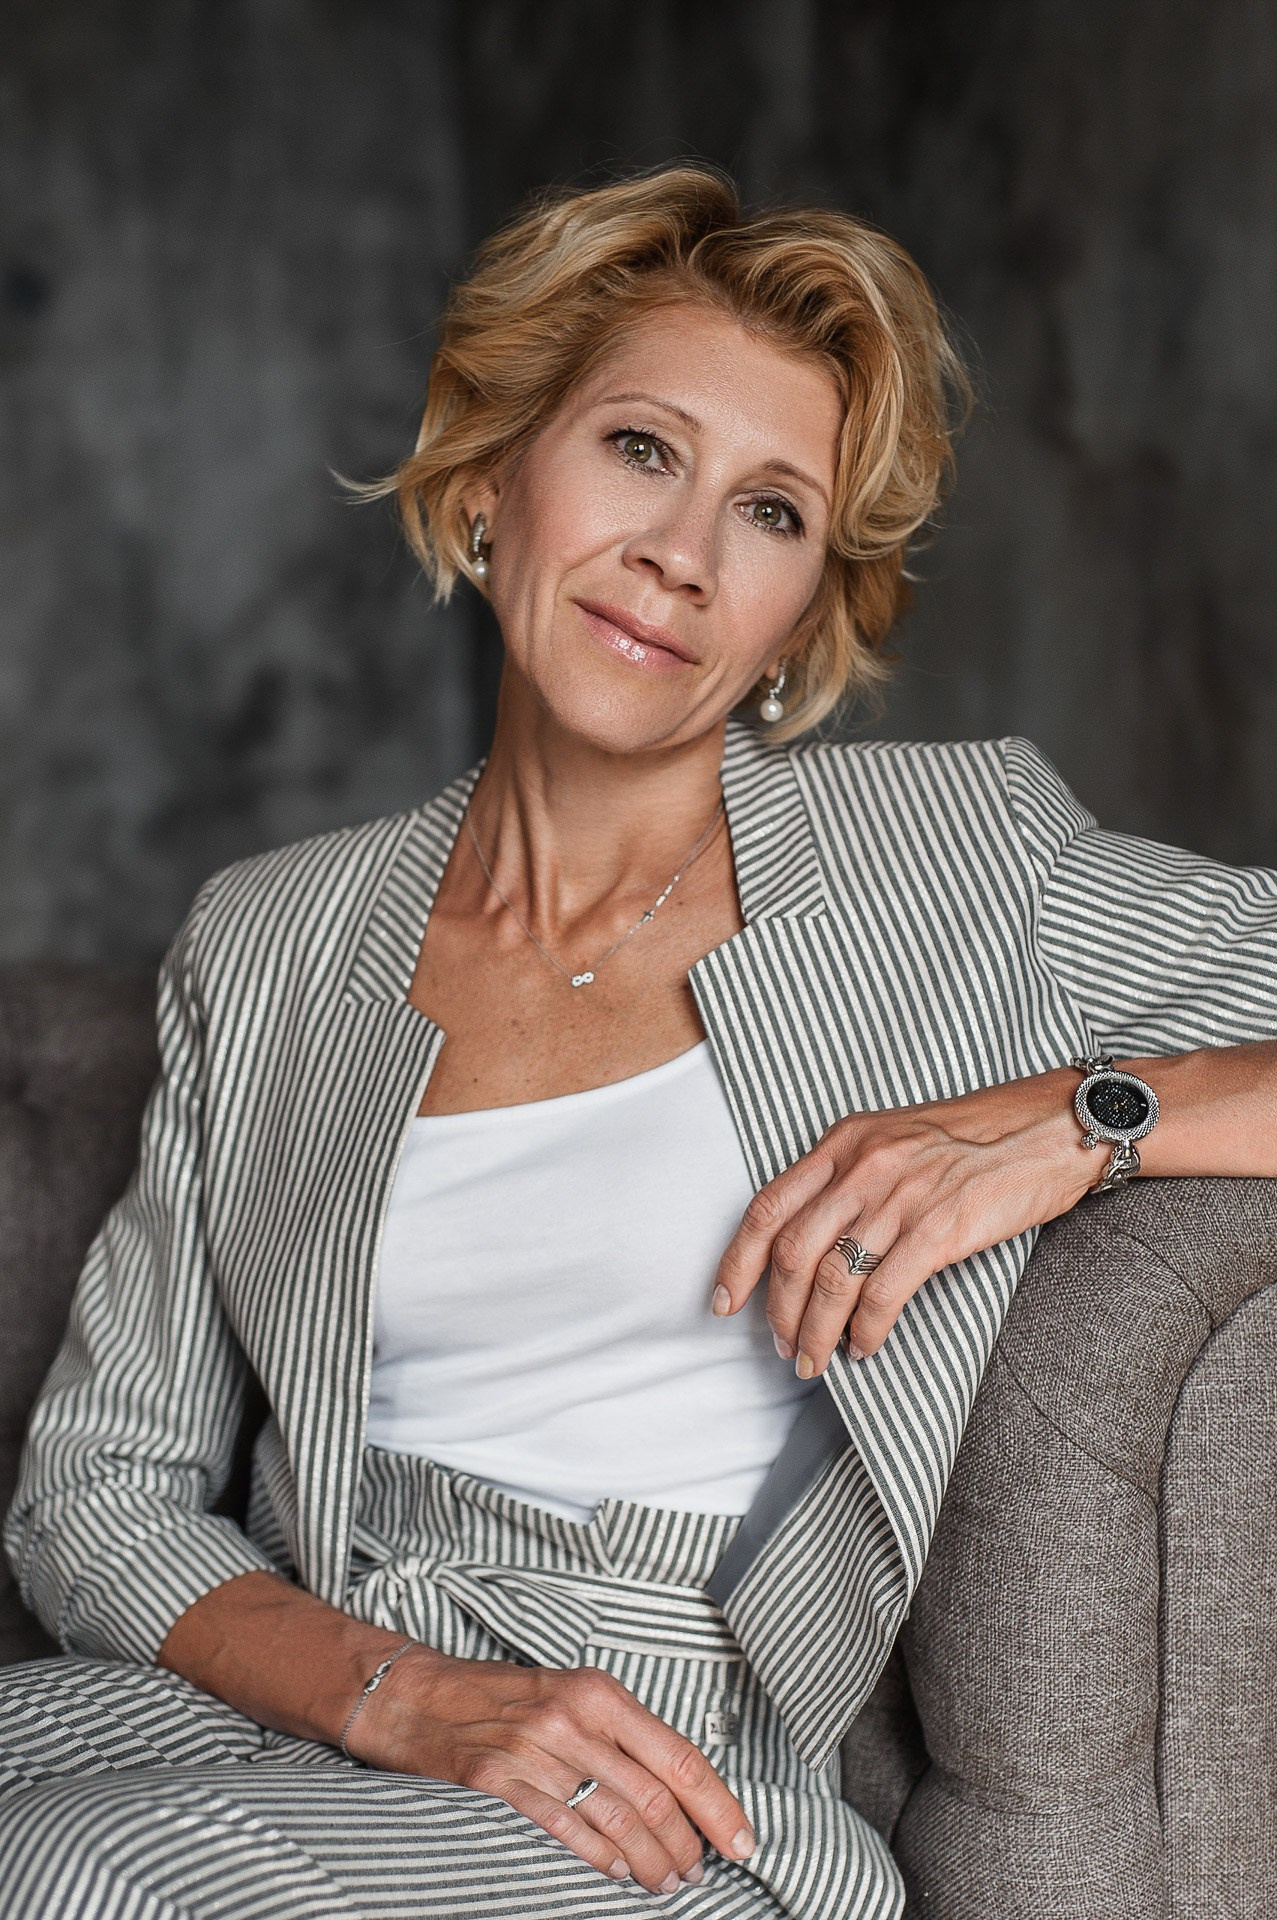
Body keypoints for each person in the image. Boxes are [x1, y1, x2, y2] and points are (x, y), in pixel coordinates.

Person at [2, 165, 1276, 1920]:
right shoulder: (270, 940)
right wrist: (399, 1694)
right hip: (324, 1705)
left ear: (801, 610)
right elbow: (96, 1490)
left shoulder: (959, 862)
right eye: (639, 450)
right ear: (488, 475)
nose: (680, 556)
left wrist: (1091, 1114)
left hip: (676, 1785)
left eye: (770, 513)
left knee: (73, 1882)